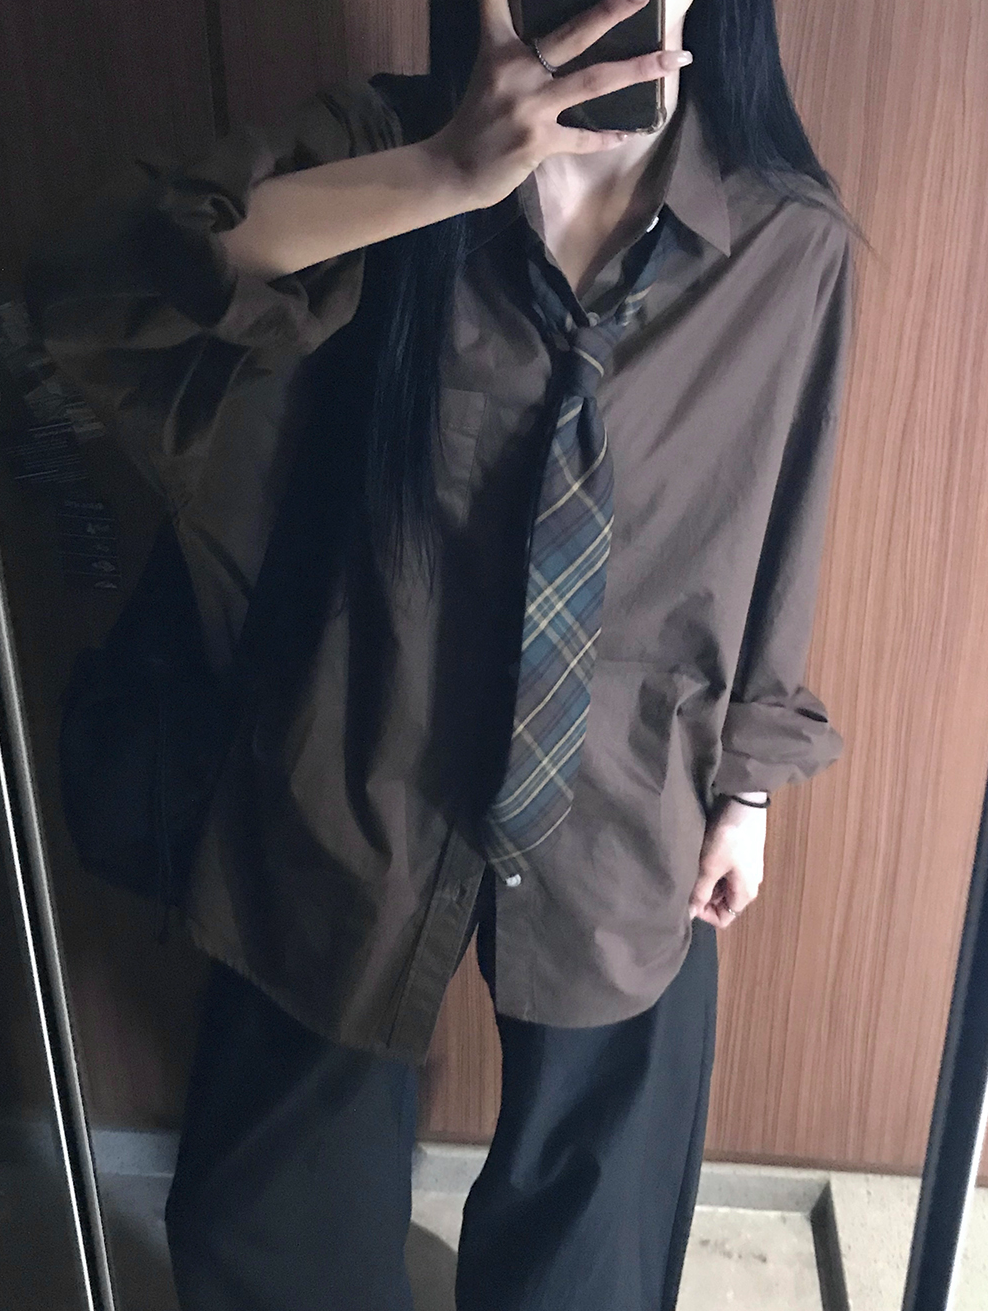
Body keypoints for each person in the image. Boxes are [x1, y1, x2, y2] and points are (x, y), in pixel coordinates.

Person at [23, 0, 860, 1306]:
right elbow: (100, 290)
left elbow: (777, 521)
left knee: (594, 1249)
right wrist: (439, 177)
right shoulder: (386, 148)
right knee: (270, 1235)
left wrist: (746, 793)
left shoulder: (787, 244)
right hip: (353, 761)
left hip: (630, 789)